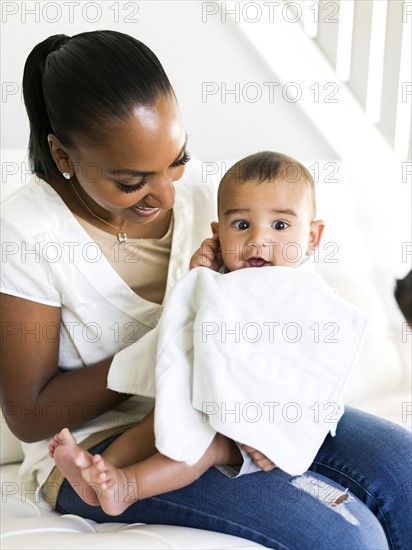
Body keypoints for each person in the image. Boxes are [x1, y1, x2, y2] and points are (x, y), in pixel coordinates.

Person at [0, 30, 410, 550]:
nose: (168, 193)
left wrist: (259, 395)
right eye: (132, 181)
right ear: (63, 155)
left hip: (236, 401)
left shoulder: (214, 209)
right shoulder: (26, 233)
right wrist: (179, 341)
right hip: (104, 452)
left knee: (404, 472)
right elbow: (30, 415)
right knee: (350, 536)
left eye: (177, 160)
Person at [47, 151, 331, 515]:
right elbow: (189, 324)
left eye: (280, 226)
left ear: (312, 237)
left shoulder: (310, 299)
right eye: (242, 225)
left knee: (199, 444)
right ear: (217, 233)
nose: (258, 240)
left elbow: (317, 373)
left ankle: (125, 488)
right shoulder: (227, 282)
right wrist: (199, 277)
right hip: (206, 400)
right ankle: (96, 477)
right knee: (162, 418)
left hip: (261, 426)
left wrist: (272, 431)